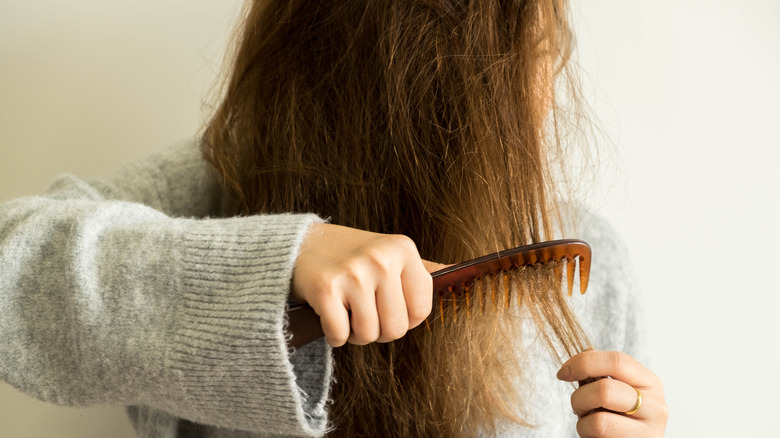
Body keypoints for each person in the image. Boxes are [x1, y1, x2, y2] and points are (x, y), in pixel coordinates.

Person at [0, 0, 668, 437]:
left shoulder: (594, 261)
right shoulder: (216, 189)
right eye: (525, 59)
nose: (545, 93)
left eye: (552, 51)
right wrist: (281, 259)